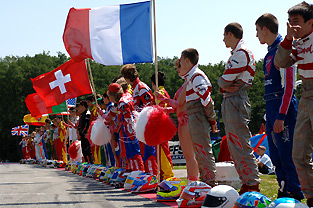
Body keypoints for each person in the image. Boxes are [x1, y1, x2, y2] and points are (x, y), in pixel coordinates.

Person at [255, 13, 304, 200]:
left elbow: (289, 85)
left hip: (283, 107)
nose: (257, 35)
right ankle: (283, 189)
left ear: (265, 29)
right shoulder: (269, 52)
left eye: (258, 30)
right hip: (271, 106)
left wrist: (282, 115)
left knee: (287, 154)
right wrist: (270, 114)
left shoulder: (284, 48)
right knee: (275, 155)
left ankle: (295, 192)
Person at [274, 2, 313, 206]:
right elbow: (280, 62)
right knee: (298, 154)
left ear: (310, 22)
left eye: (296, 23)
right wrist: (288, 38)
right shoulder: (297, 43)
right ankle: (311, 197)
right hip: (306, 95)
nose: (291, 27)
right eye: (289, 23)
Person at [218, 23, 260, 194]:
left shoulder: (241, 53)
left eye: (224, 35)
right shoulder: (238, 52)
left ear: (230, 34)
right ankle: (247, 182)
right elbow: (223, 85)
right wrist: (224, 85)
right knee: (235, 146)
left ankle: (252, 184)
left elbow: (223, 81)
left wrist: (223, 84)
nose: (222, 39)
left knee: (240, 145)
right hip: (232, 99)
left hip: (236, 99)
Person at [178, 48, 218, 187]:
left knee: (203, 151)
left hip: (198, 115)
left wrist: (212, 119)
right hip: (194, 115)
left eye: (181, 59)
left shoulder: (196, 76)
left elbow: (206, 99)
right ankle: (205, 182)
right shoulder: (191, 77)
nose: (180, 63)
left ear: (187, 60)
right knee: (200, 152)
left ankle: (210, 183)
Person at [155, 59, 199, 184]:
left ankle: (193, 183)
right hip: (183, 121)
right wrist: (164, 110)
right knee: (188, 156)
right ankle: (192, 183)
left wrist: (162, 98)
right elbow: (176, 108)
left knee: (190, 156)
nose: (177, 69)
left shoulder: (189, 82)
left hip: (187, 121)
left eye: (179, 67)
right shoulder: (185, 83)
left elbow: (178, 103)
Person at [120, 64, 158, 175]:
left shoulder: (141, 87)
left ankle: (153, 176)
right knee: (143, 151)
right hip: (140, 125)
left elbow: (149, 107)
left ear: (127, 77)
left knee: (149, 152)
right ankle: (146, 176)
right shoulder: (134, 88)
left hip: (147, 124)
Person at [107, 83, 145, 171]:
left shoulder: (122, 103)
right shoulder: (128, 96)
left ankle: (138, 173)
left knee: (133, 153)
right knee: (132, 153)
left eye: (109, 96)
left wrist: (115, 133)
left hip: (128, 131)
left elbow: (121, 120)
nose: (110, 99)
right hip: (133, 128)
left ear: (114, 95)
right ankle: (134, 172)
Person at [150, 71, 174, 180]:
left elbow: (162, 108)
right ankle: (162, 176)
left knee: (163, 152)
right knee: (160, 152)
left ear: (153, 83)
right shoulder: (161, 92)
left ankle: (168, 176)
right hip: (160, 126)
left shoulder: (160, 93)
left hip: (161, 126)